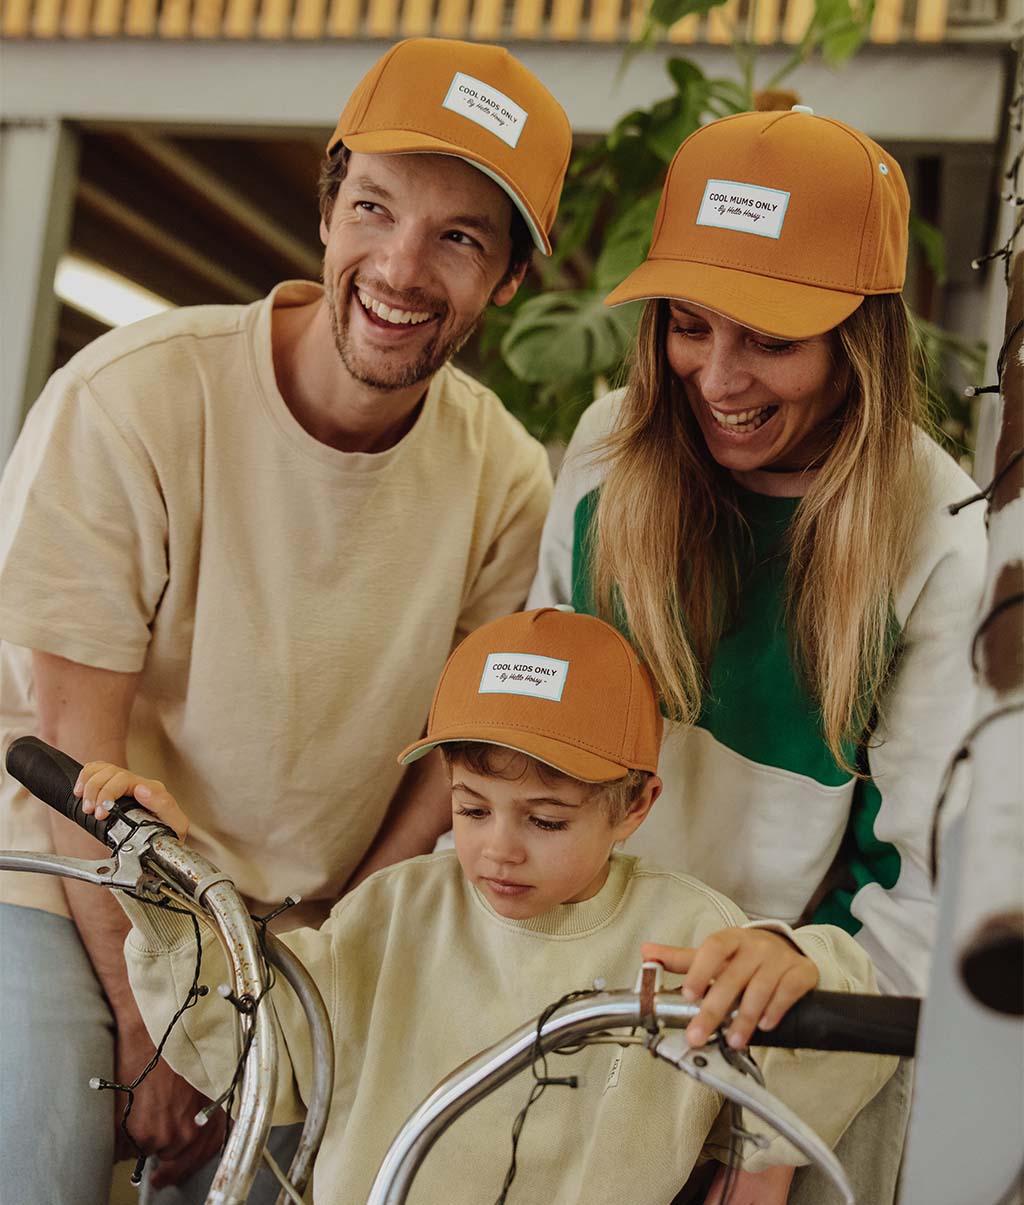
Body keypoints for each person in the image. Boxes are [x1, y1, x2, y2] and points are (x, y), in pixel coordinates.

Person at [0, 38, 572, 1203]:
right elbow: (72, 753)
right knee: (41, 1156)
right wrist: (154, 1026)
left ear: (509, 279)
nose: (400, 268)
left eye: (460, 239)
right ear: (327, 206)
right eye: (375, 208)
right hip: (64, 885)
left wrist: (324, 946)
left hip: (289, 933)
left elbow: (451, 747)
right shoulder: (133, 398)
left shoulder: (505, 477)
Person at [527, 108, 988, 1202]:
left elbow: (926, 882)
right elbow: (533, 744)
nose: (718, 379)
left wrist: (776, 1100)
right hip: (576, 1008)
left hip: (795, 1025)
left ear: (862, 342)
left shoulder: (938, 536)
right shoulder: (606, 455)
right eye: (689, 326)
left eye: (772, 342)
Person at [76, 607, 895, 1204]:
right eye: (472, 808)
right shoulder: (396, 911)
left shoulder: (686, 935)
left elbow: (831, 1036)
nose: (500, 848)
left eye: (546, 820)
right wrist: (164, 883)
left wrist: (789, 958)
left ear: (636, 805)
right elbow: (261, 1049)